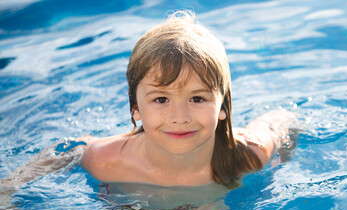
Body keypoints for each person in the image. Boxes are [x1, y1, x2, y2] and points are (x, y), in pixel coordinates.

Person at [0, 11, 299, 191]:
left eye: (197, 98)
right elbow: (67, 150)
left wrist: (285, 163)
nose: (179, 116)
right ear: (135, 107)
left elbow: (283, 121)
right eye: (160, 99)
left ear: (222, 107)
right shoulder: (106, 161)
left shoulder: (248, 156)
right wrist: (8, 190)